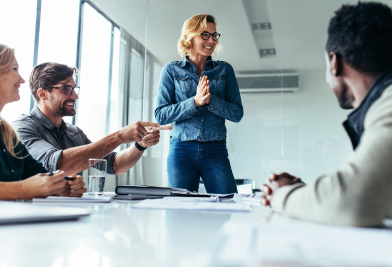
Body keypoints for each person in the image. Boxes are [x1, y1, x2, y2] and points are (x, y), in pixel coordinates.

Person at [261, 2, 392, 227]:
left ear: (334, 63)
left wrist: (282, 195)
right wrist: (308, 195)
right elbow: (378, 194)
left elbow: (353, 203)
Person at [13, 62, 172, 176]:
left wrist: (140, 145)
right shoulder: (22, 128)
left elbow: (115, 165)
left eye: (74, 89)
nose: (74, 95)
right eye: (67, 89)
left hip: (72, 214)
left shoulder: (74, 133)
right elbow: (60, 165)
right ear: (42, 94)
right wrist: (120, 136)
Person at [154, 14, 243, 194]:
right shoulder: (171, 70)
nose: (211, 40)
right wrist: (194, 102)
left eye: (214, 35)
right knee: (182, 211)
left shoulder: (225, 70)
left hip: (216, 151)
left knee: (228, 205)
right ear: (190, 37)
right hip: (181, 151)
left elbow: (236, 113)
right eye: (205, 35)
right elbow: (161, 115)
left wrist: (211, 101)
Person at [0, 44, 86, 200]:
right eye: (14, 69)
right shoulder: (23, 127)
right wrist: (23, 189)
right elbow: (28, 185)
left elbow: (34, 173)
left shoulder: (7, 133)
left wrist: (61, 186)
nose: (21, 80)